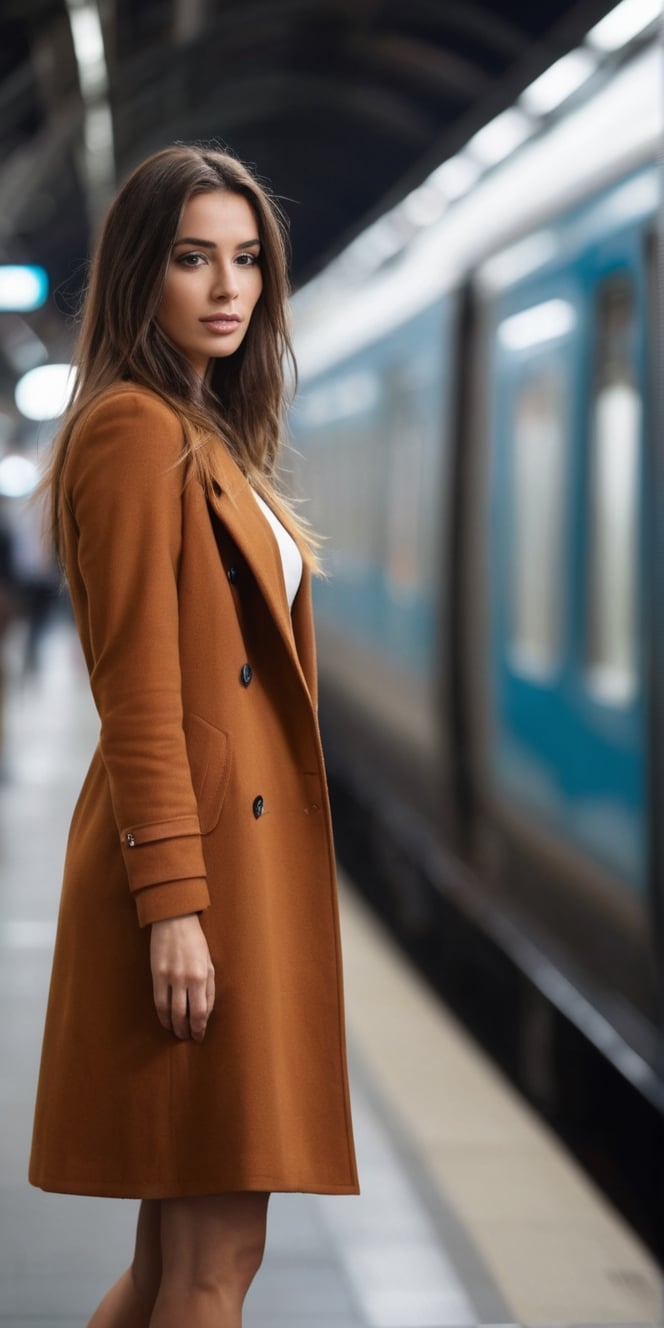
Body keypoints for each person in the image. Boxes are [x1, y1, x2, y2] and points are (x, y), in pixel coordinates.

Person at [29, 144, 359, 1328]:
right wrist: (173, 905)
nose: (226, 287)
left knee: (180, 1266)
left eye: (246, 260)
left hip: (224, 877)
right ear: (139, 275)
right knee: (216, 1266)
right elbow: (140, 695)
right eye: (190, 258)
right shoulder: (131, 434)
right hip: (200, 882)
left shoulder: (200, 432)